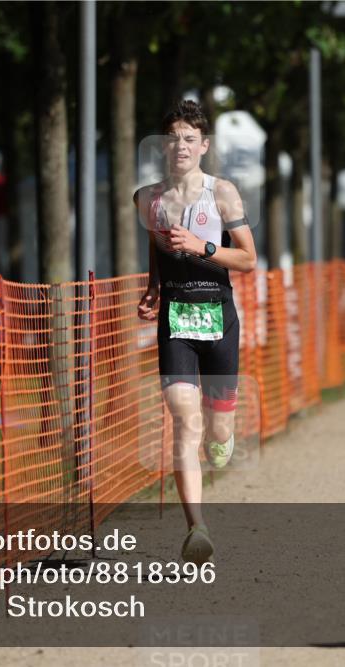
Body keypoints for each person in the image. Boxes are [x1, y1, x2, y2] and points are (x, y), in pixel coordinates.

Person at [134, 100, 257, 564]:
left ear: (203, 146)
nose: (180, 146)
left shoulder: (221, 193)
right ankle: (197, 529)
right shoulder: (148, 198)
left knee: (217, 432)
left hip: (219, 316)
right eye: (173, 139)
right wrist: (153, 286)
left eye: (189, 138)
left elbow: (248, 259)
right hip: (176, 321)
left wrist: (204, 247)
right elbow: (155, 242)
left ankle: (220, 435)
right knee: (184, 418)